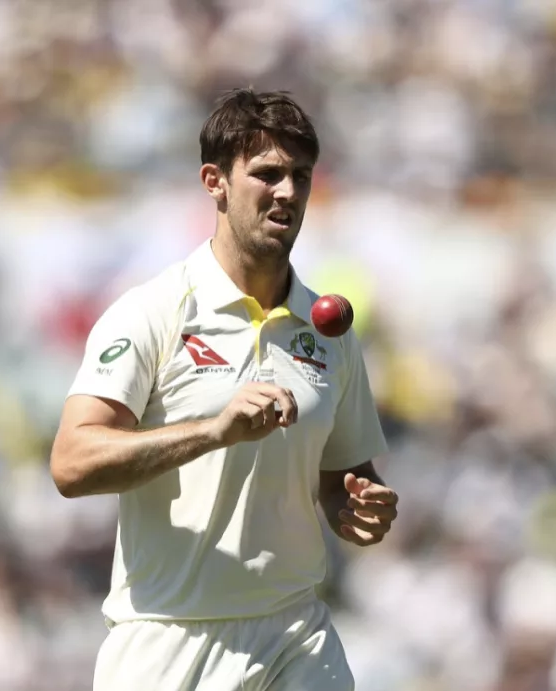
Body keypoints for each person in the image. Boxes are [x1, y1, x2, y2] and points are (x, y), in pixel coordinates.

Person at [50, 88, 400, 691]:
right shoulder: (154, 311)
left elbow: (341, 479)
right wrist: (214, 432)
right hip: (168, 638)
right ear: (215, 182)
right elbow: (72, 462)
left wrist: (358, 509)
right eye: (266, 174)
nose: (287, 192)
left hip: (295, 631)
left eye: (300, 175)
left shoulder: (329, 328)